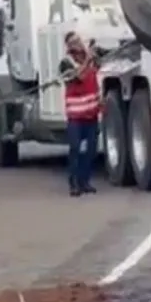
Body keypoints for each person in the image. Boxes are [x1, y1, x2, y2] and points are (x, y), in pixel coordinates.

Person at [60, 32, 104, 197]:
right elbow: (79, 76)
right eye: (74, 42)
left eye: (78, 40)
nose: (78, 44)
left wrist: (94, 54)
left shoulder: (90, 59)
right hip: (76, 117)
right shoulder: (66, 63)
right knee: (75, 149)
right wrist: (88, 59)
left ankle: (85, 182)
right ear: (69, 47)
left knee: (91, 150)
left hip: (91, 114)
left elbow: (98, 68)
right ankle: (74, 184)